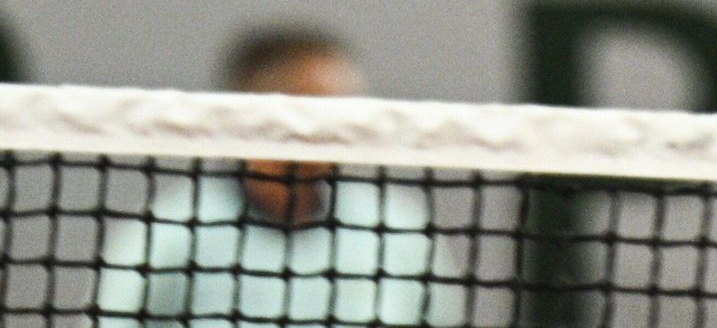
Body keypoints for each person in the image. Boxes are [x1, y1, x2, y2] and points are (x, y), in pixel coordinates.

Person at [92, 28, 460, 328]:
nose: (342, 124)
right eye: (318, 106)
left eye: (345, 106)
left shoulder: (399, 229)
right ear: (254, 112)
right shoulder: (170, 233)